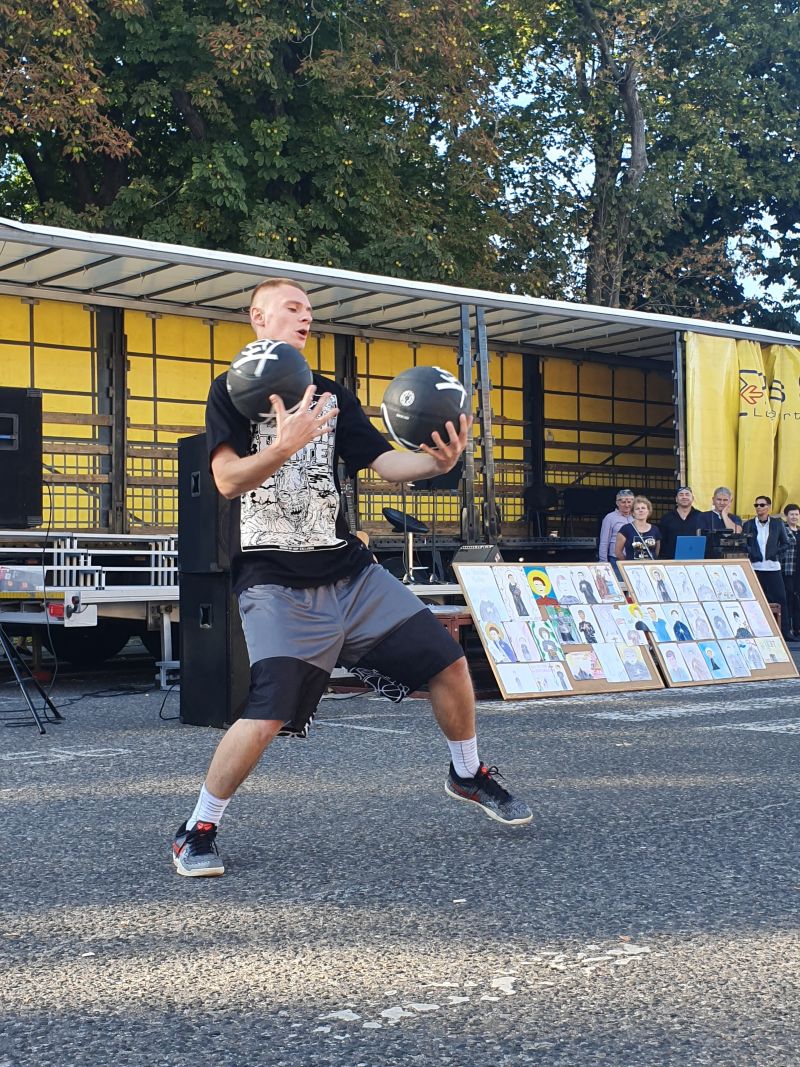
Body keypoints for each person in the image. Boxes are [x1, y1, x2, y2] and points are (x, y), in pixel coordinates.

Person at [171, 279, 532, 877]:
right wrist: (283, 445)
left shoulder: (333, 395)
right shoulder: (232, 389)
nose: (305, 317)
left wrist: (437, 463)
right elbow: (228, 480)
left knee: (447, 659)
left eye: (309, 310)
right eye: (292, 308)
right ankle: (197, 829)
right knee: (268, 711)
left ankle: (467, 771)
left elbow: (385, 462)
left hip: (348, 569)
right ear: (259, 317)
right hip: (273, 577)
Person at [742, 496, 793, 643]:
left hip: (773, 567)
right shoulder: (749, 524)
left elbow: (786, 543)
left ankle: (785, 632)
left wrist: (775, 554)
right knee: (755, 600)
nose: (758, 507)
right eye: (756, 505)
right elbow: (744, 542)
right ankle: (756, 630)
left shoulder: (777, 524)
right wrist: (752, 552)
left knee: (781, 599)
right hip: (755, 567)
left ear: (769, 507)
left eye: (762, 504)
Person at [657, 487, 703, 559]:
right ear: (676, 499)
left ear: (693, 498)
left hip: (695, 560)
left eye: (687, 494)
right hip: (671, 560)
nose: (684, 497)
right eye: (681, 495)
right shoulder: (666, 518)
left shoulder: (701, 517)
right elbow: (662, 541)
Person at [615, 496, 662, 561]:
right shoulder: (625, 529)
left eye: (643, 508)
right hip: (632, 566)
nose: (641, 510)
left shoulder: (655, 529)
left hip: (650, 566)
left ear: (648, 511)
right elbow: (618, 552)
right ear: (633, 513)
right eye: (637, 509)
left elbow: (656, 551)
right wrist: (627, 563)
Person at [598, 490, 635, 570]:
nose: (627, 505)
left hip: (634, 558)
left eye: (629, 502)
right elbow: (604, 541)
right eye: (623, 502)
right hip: (616, 559)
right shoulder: (610, 517)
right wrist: (603, 562)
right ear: (617, 503)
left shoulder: (636, 517)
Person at [781, 503, 800, 639]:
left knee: (797, 600)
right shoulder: (783, 529)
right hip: (788, 569)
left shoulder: (799, 531)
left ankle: (797, 628)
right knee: (789, 598)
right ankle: (788, 629)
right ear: (786, 516)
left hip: (798, 571)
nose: (794, 517)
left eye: (797, 514)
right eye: (792, 514)